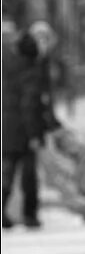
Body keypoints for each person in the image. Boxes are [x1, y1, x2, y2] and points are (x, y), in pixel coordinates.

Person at [25, 21, 85, 223]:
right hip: (37, 131)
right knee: (58, 171)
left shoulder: (46, 65)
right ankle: (82, 206)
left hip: (51, 126)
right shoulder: (27, 67)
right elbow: (29, 105)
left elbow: (48, 100)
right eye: (39, 39)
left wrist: (57, 127)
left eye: (46, 39)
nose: (43, 44)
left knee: (84, 149)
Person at [2, 20, 44, 229]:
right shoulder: (31, 72)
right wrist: (35, 134)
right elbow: (29, 105)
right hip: (24, 131)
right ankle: (30, 214)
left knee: (7, 172)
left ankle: (2, 212)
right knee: (29, 175)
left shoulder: (7, 67)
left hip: (7, 127)